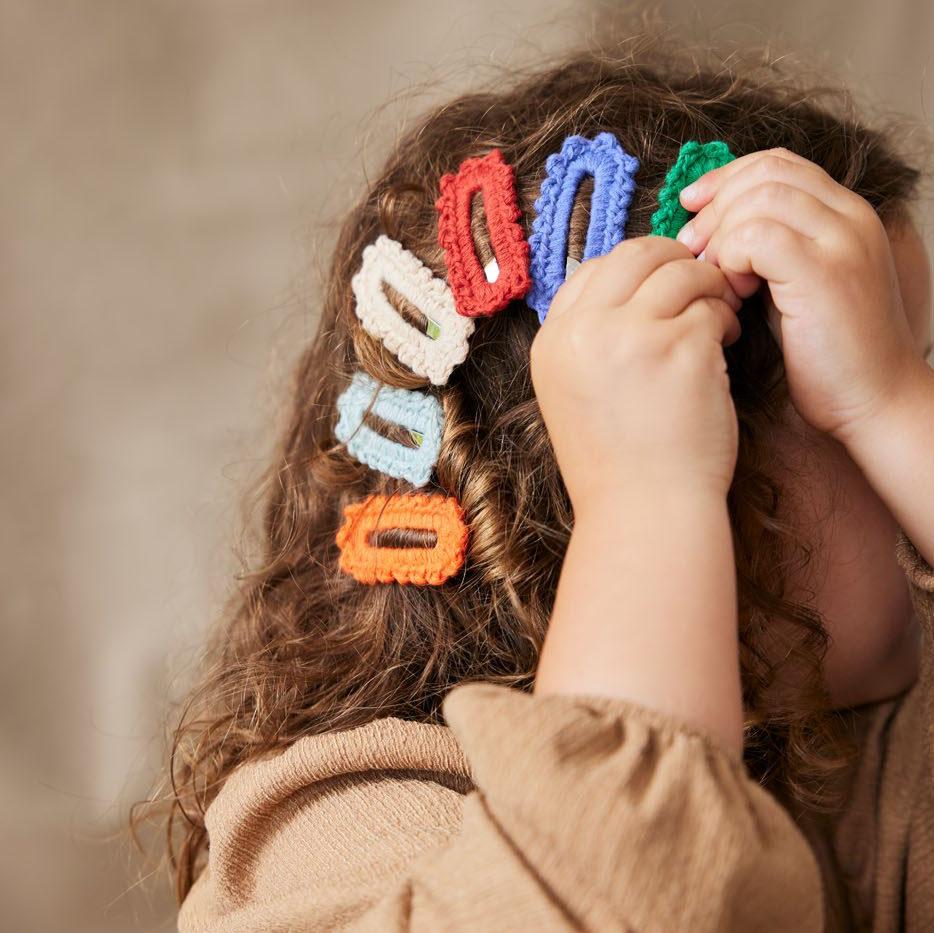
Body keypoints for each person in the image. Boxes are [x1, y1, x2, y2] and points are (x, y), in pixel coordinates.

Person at [140, 31, 934, 932]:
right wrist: (646, 505)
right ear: (724, 499)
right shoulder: (327, 840)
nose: (912, 426)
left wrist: (896, 413)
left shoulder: (853, 755)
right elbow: (630, 895)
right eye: (853, 395)